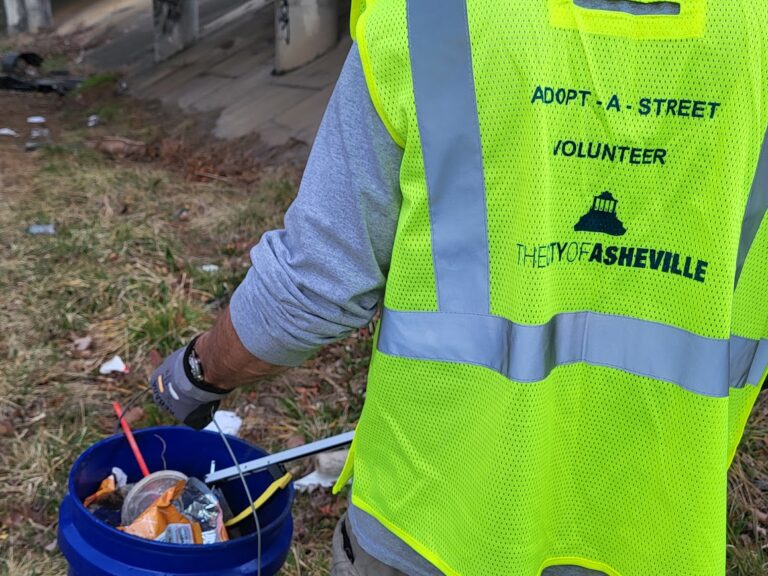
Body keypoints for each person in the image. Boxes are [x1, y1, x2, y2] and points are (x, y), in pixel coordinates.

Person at [151, 1, 768, 574]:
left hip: (433, 521)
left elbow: (314, 283)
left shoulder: (431, 17)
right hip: (650, 524)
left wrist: (198, 372)